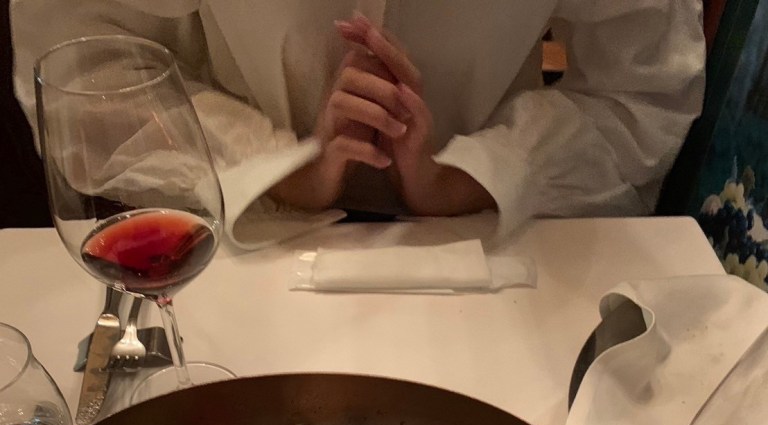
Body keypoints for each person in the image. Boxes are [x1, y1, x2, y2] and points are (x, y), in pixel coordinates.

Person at [11, 1, 706, 249]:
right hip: (238, 240)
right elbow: (80, 62)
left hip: (495, 245)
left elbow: (643, 92)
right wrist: (271, 167)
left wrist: (471, 177)